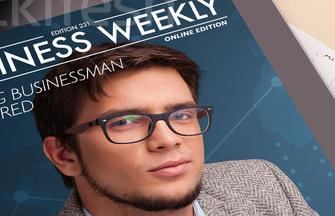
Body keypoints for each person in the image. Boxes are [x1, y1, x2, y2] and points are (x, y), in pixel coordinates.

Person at [32, 42, 316, 216]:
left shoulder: (263, 181)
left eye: (180, 114)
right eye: (124, 122)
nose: (167, 140)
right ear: (64, 155)